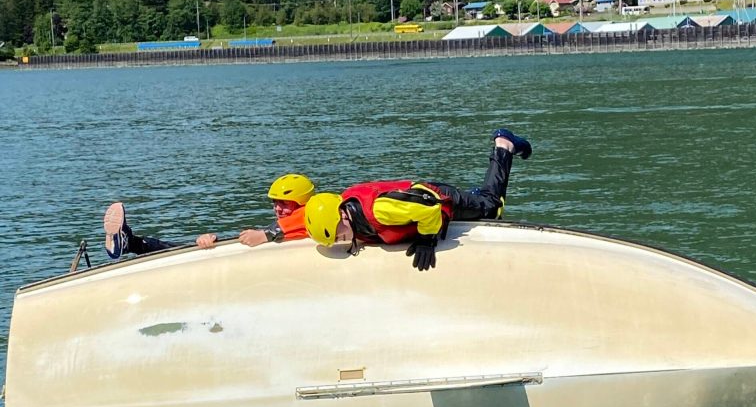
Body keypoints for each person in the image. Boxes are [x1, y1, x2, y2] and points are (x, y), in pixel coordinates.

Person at [303, 128, 531, 271]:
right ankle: (472, 196)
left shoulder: (380, 210)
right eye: (336, 239)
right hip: (416, 201)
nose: (341, 239)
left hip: (439, 200)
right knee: (480, 202)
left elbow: (430, 207)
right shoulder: (346, 212)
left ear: (342, 213)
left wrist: (426, 240)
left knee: (492, 207)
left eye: (339, 233)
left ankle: (504, 145)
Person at [103, 173, 315, 260]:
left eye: (285, 204)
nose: (278, 209)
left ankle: (131, 243)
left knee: (187, 250)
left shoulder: (313, 218)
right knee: (186, 247)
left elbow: (306, 216)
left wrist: (266, 234)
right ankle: (131, 243)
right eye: (275, 203)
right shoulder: (286, 225)